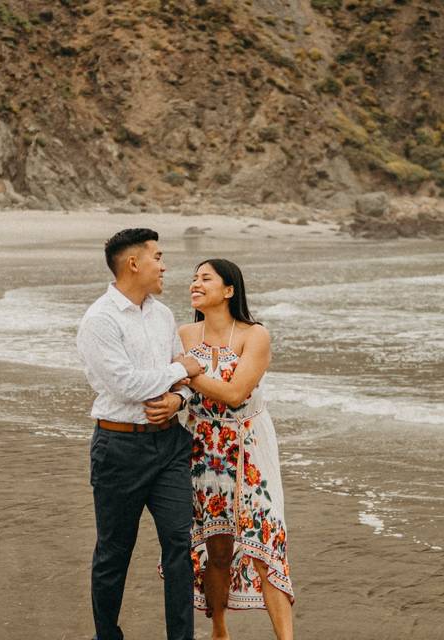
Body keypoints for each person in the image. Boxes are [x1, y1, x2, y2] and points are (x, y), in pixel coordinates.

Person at [76, 228, 203, 640]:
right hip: (120, 448)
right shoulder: (100, 320)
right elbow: (127, 385)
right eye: (158, 257)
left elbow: (178, 381)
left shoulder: (163, 314)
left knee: (180, 546)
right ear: (134, 263)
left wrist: (179, 399)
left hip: (169, 445)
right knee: (114, 553)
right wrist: (183, 371)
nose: (164, 265)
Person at [178, 258, 294, 640]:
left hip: (249, 448)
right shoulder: (182, 334)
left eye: (205, 278)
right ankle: (219, 631)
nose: (196, 283)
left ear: (229, 290)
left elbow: (234, 393)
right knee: (218, 549)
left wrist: (190, 371)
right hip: (203, 452)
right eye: (194, 278)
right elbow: (171, 389)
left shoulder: (253, 335)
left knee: (265, 541)